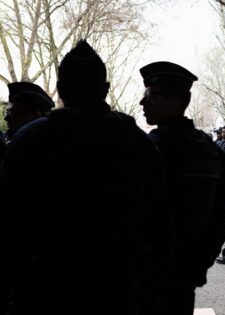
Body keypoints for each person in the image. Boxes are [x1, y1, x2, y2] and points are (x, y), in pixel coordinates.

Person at [0, 40, 169, 314]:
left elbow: (9, 223)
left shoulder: (31, 139)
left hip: (44, 285)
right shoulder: (138, 142)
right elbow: (158, 226)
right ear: (105, 89)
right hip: (116, 286)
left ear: (61, 89)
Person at [139, 61, 225, 314]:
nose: (142, 103)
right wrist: (200, 265)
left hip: (147, 272)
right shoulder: (211, 151)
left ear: (176, 100)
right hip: (186, 271)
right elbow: (221, 216)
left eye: (151, 96)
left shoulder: (147, 148)